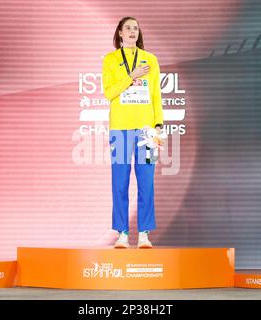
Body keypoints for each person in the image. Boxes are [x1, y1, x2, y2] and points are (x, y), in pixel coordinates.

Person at [102, 17, 163, 249]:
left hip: (146, 131)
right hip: (120, 128)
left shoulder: (151, 59)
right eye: (127, 28)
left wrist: (158, 124)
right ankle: (123, 233)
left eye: (135, 28)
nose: (132, 31)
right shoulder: (110, 60)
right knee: (120, 182)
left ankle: (145, 233)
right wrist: (132, 76)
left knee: (146, 181)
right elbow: (109, 92)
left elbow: (156, 94)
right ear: (119, 33)